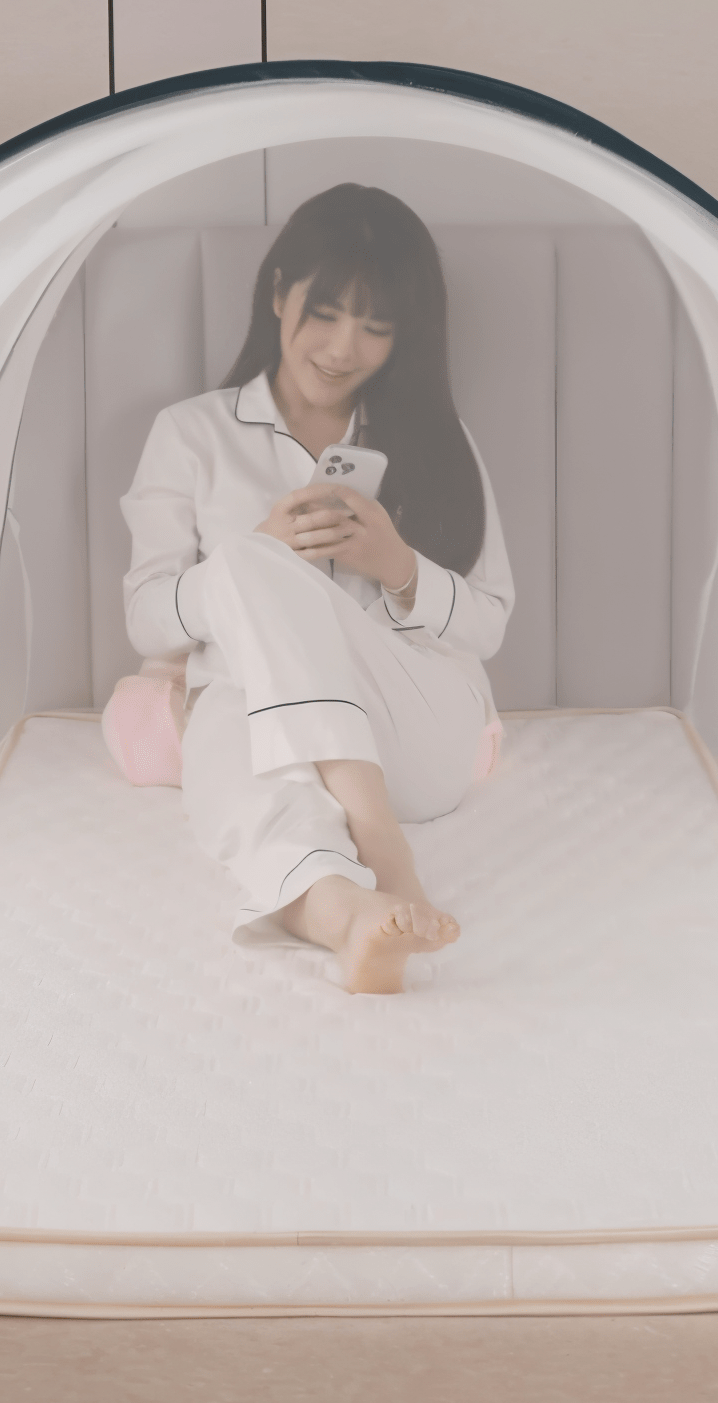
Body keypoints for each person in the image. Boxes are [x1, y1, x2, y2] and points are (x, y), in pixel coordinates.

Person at [119, 183, 514, 993]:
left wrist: (397, 565)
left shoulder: (437, 441)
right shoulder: (191, 434)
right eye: (325, 314)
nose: (343, 348)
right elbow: (146, 620)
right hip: (261, 728)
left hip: (412, 729)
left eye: (376, 327)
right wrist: (253, 563)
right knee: (233, 717)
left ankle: (379, 841)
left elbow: (489, 623)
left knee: (247, 576)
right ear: (278, 295)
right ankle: (347, 916)